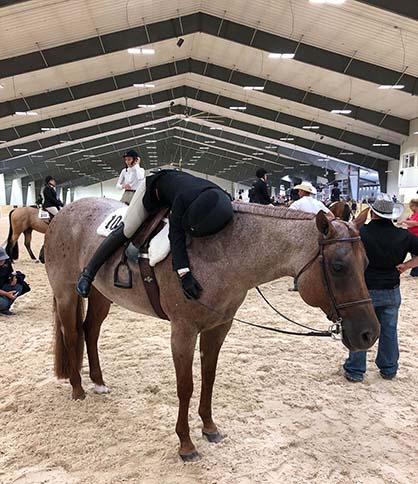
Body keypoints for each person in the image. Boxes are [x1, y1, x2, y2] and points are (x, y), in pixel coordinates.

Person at [76, 170, 233, 300]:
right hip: (152, 189)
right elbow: (175, 236)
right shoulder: (182, 201)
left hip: (181, 186)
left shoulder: (224, 197)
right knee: (128, 229)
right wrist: (184, 275)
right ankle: (88, 274)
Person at [343, 194, 418, 383]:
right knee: (389, 330)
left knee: (360, 328)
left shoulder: (361, 232)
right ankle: (389, 368)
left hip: (364, 290)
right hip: (391, 289)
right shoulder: (404, 235)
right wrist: (407, 265)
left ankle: (356, 369)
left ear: (373, 213)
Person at [287, 182, 330, 291]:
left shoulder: (298, 203)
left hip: (303, 236)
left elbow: (287, 216)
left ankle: (298, 285)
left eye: (299, 190)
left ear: (302, 192)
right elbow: (331, 215)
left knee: (298, 259)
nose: (298, 192)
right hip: (318, 235)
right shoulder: (318, 203)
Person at [398, 198, 418, 277]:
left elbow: (416, 223)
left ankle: (416, 271)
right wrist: (402, 224)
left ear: (415, 206)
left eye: (411, 206)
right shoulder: (413, 214)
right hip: (412, 236)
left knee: (415, 254)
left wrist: (405, 221)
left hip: (416, 236)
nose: (410, 208)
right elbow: (410, 224)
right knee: (413, 254)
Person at [0, 247, 23, 316]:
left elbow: (10, 273)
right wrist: (7, 294)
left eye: (3, 260)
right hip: (3, 291)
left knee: (19, 287)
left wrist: (13, 280)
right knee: (3, 303)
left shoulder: (7, 262)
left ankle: (4, 307)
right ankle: (4, 306)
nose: (2, 262)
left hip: (3, 287)